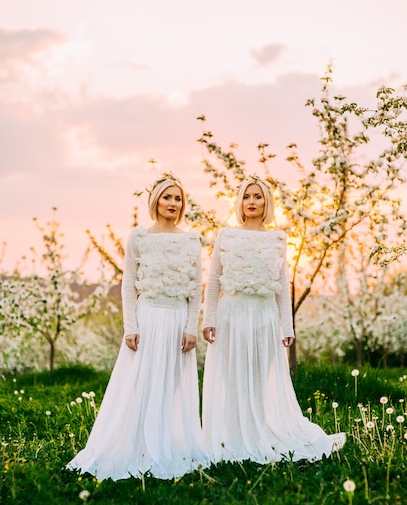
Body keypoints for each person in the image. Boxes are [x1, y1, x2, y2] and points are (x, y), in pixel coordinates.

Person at [67, 174, 207, 480]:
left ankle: (165, 444)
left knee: (169, 386)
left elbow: (197, 287)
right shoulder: (139, 237)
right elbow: (128, 284)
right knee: (140, 383)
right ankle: (136, 445)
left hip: (177, 319)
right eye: (167, 197)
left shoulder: (190, 240)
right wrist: (130, 326)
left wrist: (191, 326)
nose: (173, 203)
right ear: (155, 200)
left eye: (178, 198)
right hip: (148, 318)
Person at [202, 177, 346, 465]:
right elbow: (214, 279)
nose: (252, 201)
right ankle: (233, 438)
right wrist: (209, 319)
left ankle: (258, 434)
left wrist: (286, 325)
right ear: (239, 202)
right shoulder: (226, 236)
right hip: (232, 312)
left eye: (258, 196)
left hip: (264, 317)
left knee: (257, 378)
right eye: (246, 196)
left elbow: (282, 283)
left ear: (267, 202)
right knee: (233, 377)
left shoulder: (277, 238)